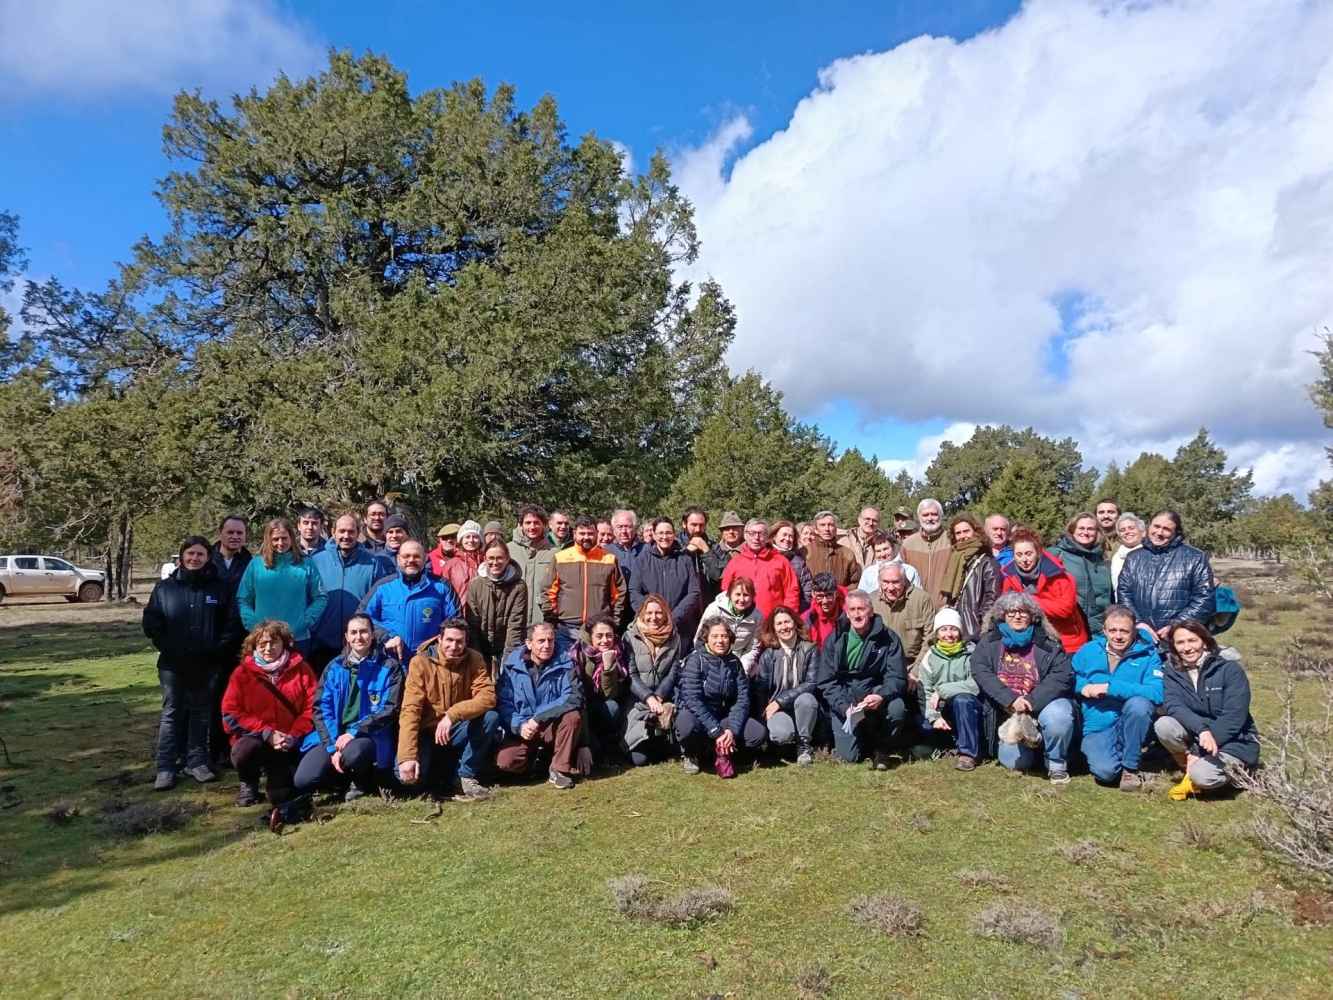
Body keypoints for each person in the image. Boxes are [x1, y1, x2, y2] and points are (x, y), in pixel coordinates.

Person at [143, 535, 240, 789]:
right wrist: (169, 647)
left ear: (208, 558)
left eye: (200, 554)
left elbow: (230, 624)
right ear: (182, 556)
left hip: (207, 663)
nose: (195, 558)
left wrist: (216, 650)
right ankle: (165, 766)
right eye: (191, 554)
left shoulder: (219, 588)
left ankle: (196, 761)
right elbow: (152, 623)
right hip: (173, 664)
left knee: (201, 712)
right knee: (172, 712)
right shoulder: (165, 588)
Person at [294, 614, 404, 800]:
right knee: (303, 780)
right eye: (353, 632)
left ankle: (360, 781)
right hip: (333, 736)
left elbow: (389, 708)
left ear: (372, 635)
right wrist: (332, 746)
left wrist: (354, 731)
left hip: (368, 735)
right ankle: (338, 782)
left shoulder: (389, 667)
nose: (358, 637)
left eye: (364, 632)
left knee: (354, 754)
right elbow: (321, 708)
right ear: (346, 637)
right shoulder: (334, 666)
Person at [970, 592, 1076, 783]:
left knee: (1059, 715)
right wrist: (1010, 699)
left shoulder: (1048, 642)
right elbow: (980, 669)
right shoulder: (989, 641)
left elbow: (1062, 675)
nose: (1017, 616)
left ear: (1033, 615)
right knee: (1014, 763)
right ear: (1002, 615)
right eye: (1011, 612)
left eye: (1023, 612)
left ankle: (1056, 763)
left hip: (1042, 706)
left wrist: (1031, 700)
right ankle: (1035, 745)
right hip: (1009, 712)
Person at [221, 620, 318, 827]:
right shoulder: (241, 674)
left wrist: (294, 734)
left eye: (274, 642)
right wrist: (266, 733)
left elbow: (313, 707)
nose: (268, 648)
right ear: (254, 647)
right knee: (243, 751)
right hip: (257, 739)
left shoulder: (302, 669)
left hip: (289, 741)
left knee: (280, 796)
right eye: (262, 644)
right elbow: (230, 713)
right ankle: (249, 782)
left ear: (285, 644)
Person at [394, 617, 499, 800]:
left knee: (490, 717)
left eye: (459, 641)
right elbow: (410, 710)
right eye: (449, 640)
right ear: (439, 639)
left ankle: (465, 776)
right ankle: (433, 772)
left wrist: (452, 715)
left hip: (455, 728)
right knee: (408, 781)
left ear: (466, 642)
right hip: (426, 732)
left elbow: (488, 697)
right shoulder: (420, 662)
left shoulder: (475, 659)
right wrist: (407, 756)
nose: (454, 646)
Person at [1154, 620, 1259, 800]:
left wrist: (1196, 751)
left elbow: (1234, 717)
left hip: (1234, 740)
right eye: (1180, 643)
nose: (1187, 648)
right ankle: (1190, 768)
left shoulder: (1229, 669)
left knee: (1203, 776)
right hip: (1200, 735)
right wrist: (1202, 730)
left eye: (1192, 640)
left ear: (1204, 641)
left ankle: (1240, 773)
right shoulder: (1173, 670)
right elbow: (1174, 705)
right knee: (1164, 725)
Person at [1073, 605, 1163, 790]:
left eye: (1124, 631)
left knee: (1139, 704)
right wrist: (1083, 688)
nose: (1118, 636)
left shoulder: (1148, 655)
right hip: (1097, 725)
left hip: (1130, 721)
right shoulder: (1088, 651)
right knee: (1106, 773)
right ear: (1104, 630)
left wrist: (1111, 688)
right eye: (1112, 630)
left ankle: (1130, 768)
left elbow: (1156, 693)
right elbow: (1067, 680)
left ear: (1134, 631)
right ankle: (1109, 756)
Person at [816, 589, 908, 768]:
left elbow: (897, 675)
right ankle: (864, 738)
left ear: (871, 611)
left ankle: (882, 748)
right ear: (847, 612)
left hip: (875, 693)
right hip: (846, 697)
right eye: (852, 610)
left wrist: (881, 695)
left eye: (861, 609)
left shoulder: (889, 638)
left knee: (897, 708)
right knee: (849, 758)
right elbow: (827, 681)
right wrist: (844, 707)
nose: (857, 614)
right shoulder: (834, 638)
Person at [496, 622, 584, 789]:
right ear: (529, 644)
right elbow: (504, 703)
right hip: (524, 729)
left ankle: (559, 769)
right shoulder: (511, 666)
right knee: (505, 762)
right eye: (541, 641)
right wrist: (518, 725)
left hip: (551, 725)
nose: (547, 645)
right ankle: (537, 763)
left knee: (573, 717)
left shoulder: (566, 662)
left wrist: (539, 718)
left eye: (550, 640)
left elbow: (572, 697)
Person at [675, 620, 767, 778]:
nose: (720, 640)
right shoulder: (695, 660)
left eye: (724, 636)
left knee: (757, 733)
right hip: (699, 717)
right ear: (706, 638)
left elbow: (742, 699)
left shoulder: (734, 662)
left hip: (724, 716)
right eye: (715, 636)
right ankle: (691, 754)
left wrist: (732, 730)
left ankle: (719, 749)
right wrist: (716, 731)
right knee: (685, 725)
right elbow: (692, 699)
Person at [309, 513, 395, 673]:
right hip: (321, 644)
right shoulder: (316, 561)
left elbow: (382, 603)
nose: (346, 536)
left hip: (359, 643)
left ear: (358, 533)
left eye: (351, 531)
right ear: (333, 532)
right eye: (342, 531)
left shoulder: (372, 563)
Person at [236, 518, 328, 660]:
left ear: (291, 537)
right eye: (275, 539)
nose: (280, 543)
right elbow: (243, 599)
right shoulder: (256, 564)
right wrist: (255, 626)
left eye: (284, 538)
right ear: (268, 539)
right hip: (264, 640)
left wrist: (304, 621)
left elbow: (320, 597)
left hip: (297, 638)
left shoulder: (306, 564)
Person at [1116, 510, 1215, 640]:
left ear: (1176, 532)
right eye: (1156, 526)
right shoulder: (1133, 558)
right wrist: (1138, 622)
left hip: (1180, 639)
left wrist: (1176, 626)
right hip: (1140, 636)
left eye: (1166, 529)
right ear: (1149, 526)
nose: (1159, 532)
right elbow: (1124, 593)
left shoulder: (1195, 558)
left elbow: (1204, 598)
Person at [360, 540, 461, 663]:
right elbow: (362, 618)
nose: (411, 560)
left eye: (416, 556)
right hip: (390, 661)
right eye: (406, 556)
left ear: (425, 559)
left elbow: (455, 622)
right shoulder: (383, 587)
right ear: (398, 559)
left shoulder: (441, 586)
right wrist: (386, 637)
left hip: (429, 662)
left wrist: (437, 646)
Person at [999, 527, 1088, 654]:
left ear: (1038, 552)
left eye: (1029, 554)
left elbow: (1065, 609)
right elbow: (1006, 608)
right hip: (1031, 640)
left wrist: (1029, 601)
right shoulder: (1010, 578)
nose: (1024, 560)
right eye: (1019, 555)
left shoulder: (1059, 575)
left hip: (1067, 639)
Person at [913, 608, 982, 770]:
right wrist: (934, 717)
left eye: (953, 629)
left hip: (965, 708)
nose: (949, 634)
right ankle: (941, 747)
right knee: (923, 725)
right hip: (939, 709)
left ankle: (967, 755)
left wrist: (942, 690)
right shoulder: (929, 657)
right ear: (937, 633)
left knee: (963, 699)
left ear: (960, 631)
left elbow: (975, 684)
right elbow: (926, 692)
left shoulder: (970, 654)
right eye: (943, 629)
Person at [542, 515, 628, 644]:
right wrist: (552, 618)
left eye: (590, 533)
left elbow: (619, 594)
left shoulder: (609, 559)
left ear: (596, 534)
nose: (586, 537)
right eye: (582, 533)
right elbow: (548, 591)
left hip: (598, 629)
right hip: (566, 628)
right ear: (574, 533)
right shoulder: (560, 558)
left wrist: (614, 621)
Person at [622, 594, 685, 767]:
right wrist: (648, 697)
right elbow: (630, 675)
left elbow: (673, 673)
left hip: (663, 697)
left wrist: (658, 696)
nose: (653, 617)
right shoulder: (629, 637)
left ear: (665, 614)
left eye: (658, 613)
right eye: (649, 612)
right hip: (637, 699)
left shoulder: (675, 638)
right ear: (642, 613)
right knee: (639, 759)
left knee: (671, 748)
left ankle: (662, 739)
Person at [752, 606, 820, 765]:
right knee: (781, 735)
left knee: (807, 699)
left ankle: (804, 745)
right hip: (778, 710)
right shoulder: (768, 655)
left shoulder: (810, 649)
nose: (784, 627)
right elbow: (761, 689)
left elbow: (811, 683)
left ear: (795, 623)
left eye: (787, 622)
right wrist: (763, 718)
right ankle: (786, 742)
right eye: (779, 624)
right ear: (774, 629)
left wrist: (779, 701)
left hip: (801, 706)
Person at [630, 517, 702, 638]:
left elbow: (694, 592)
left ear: (674, 534)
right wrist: (649, 615)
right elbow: (634, 591)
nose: (665, 537)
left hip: (680, 626)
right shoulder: (642, 560)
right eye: (661, 533)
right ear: (653, 534)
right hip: (650, 627)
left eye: (668, 533)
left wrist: (673, 618)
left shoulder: (684, 559)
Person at [465, 540, 528, 676]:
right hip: (482, 643)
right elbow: (472, 624)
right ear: (484, 559)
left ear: (507, 559)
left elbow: (516, 624)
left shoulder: (519, 586)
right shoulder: (475, 585)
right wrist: (477, 655)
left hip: (506, 642)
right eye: (491, 558)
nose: (495, 562)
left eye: (500, 558)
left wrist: (509, 658)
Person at [574, 614, 630, 762]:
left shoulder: (618, 653)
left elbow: (610, 695)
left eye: (608, 636)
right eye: (599, 636)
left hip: (602, 707)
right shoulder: (578, 654)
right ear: (590, 636)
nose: (605, 640)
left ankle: (608, 744)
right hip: (581, 707)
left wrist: (607, 668)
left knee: (612, 707)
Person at [721, 519, 799, 620]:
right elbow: (725, 592)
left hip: (772, 622)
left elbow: (792, 591)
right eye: (752, 533)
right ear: (745, 535)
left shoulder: (780, 561)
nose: (756, 538)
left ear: (767, 537)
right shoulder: (735, 563)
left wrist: (787, 617)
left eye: (761, 534)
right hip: (743, 622)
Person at [1050, 512, 1113, 637]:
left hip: (1100, 631)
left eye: (1090, 529)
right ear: (1072, 530)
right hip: (1070, 630)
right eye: (1081, 528)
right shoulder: (1056, 554)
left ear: (1097, 532)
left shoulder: (1102, 558)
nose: (1086, 532)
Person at [940, 513, 1000, 642]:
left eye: (966, 531)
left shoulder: (986, 561)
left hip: (976, 631)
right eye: (958, 533)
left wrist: (982, 625)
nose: (962, 536)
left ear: (976, 532)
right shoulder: (955, 559)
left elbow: (992, 597)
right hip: (956, 630)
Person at [695, 576, 763, 674]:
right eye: (738, 594)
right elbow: (700, 640)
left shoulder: (757, 617)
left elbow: (753, 648)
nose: (742, 599)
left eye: (746, 595)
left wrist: (742, 670)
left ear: (752, 597)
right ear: (730, 594)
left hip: (739, 660)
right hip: (712, 658)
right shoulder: (714, 609)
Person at [870, 563, 934, 664]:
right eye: (885, 582)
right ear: (879, 582)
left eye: (895, 582)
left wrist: (915, 671)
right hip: (881, 665)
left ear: (904, 581)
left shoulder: (922, 599)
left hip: (912, 664)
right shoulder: (871, 601)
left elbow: (930, 639)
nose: (890, 588)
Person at [508, 505, 556, 629]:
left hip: (542, 620)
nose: (532, 527)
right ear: (521, 525)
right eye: (528, 523)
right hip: (513, 619)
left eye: (536, 523)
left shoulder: (554, 553)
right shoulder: (508, 550)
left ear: (544, 525)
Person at [901, 499, 952, 609]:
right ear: (919, 517)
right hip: (915, 607)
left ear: (941, 516)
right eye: (925, 515)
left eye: (934, 514)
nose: (930, 518)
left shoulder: (952, 541)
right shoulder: (908, 544)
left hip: (946, 608)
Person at [804, 511, 859, 587]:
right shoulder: (805, 552)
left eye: (831, 525)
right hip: (813, 597)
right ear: (816, 529)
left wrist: (842, 593)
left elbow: (855, 582)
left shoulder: (847, 553)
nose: (827, 529)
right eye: (822, 525)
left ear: (836, 529)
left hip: (840, 597)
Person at [770, 519, 813, 611]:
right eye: (784, 535)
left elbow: (807, 590)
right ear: (774, 536)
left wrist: (800, 610)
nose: (787, 539)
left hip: (792, 612)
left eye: (791, 536)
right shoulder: (765, 557)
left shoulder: (798, 562)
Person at [856, 533, 921, 593]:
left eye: (885, 549)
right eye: (878, 551)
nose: (882, 554)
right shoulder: (868, 573)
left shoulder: (909, 570)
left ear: (893, 548)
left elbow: (918, 595)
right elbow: (861, 596)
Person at [701, 511, 745, 600]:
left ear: (742, 530)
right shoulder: (713, 551)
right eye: (727, 529)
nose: (731, 532)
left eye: (735, 528)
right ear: (721, 532)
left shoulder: (750, 551)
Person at [441, 520, 484, 610]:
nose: (471, 540)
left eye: (475, 537)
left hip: (484, 616)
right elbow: (444, 593)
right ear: (461, 540)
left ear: (480, 540)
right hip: (459, 615)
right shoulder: (451, 565)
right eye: (467, 537)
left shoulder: (487, 563)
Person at [211, 514, 252, 596]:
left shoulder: (251, 564)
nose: (235, 536)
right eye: (230, 532)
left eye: (239, 533)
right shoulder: (205, 559)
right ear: (220, 533)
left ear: (245, 535)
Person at [605, 509, 643, 597]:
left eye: (628, 527)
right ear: (614, 529)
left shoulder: (646, 550)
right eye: (620, 527)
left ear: (634, 528)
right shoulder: (606, 552)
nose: (624, 531)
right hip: (616, 604)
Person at [802, 572, 845, 650]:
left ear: (836, 593)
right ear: (813, 594)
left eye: (829, 595)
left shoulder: (847, 615)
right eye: (820, 596)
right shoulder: (807, 618)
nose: (825, 601)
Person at [1110, 513, 1145, 596]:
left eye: (1131, 528)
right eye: (1122, 530)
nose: (1127, 532)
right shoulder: (1116, 557)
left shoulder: (1151, 554)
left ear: (1142, 532)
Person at [680, 506, 712, 577]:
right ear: (684, 524)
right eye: (694, 525)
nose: (698, 529)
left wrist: (706, 551)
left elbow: (717, 575)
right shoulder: (675, 545)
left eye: (701, 525)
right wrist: (687, 552)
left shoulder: (713, 546)